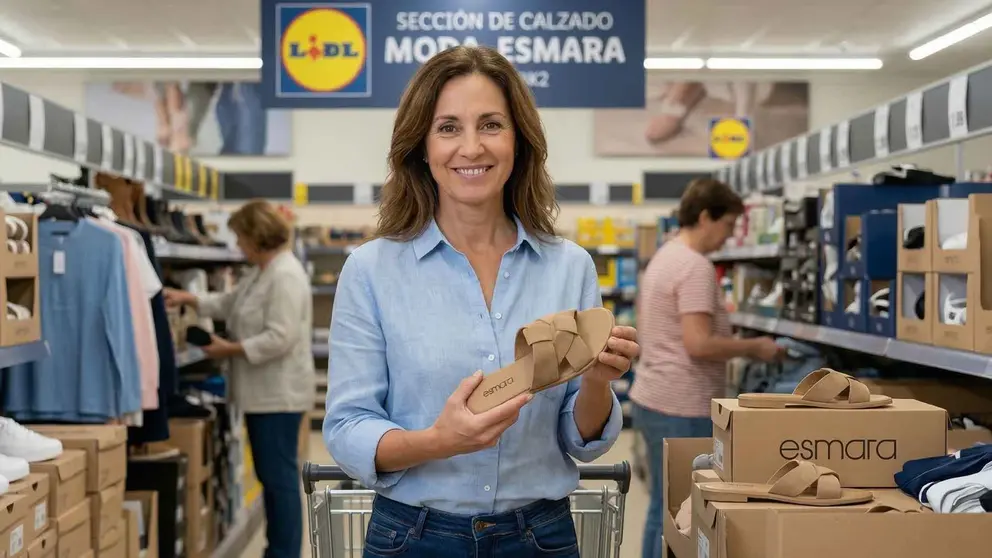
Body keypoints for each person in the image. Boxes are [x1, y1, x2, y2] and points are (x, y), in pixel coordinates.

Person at [323, 45, 640, 558]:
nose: (471, 147)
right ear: (421, 146)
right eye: (448, 127)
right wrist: (440, 440)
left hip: (541, 537)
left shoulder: (569, 266)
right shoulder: (371, 270)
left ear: (519, 141)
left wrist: (599, 382)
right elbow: (347, 427)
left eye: (491, 124)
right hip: (414, 538)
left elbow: (580, 437)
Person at [630, 178, 783, 558]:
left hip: (654, 395)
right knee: (677, 506)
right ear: (705, 217)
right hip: (682, 403)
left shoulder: (665, 256)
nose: (729, 238)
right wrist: (756, 347)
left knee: (661, 503)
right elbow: (698, 344)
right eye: (728, 225)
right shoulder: (695, 266)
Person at [164, 199, 314, 558]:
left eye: (240, 237)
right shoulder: (262, 271)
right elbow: (230, 303)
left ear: (256, 235)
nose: (238, 246)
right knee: (272, 479)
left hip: (278, 396)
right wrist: (190, 298)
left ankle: (284, 552)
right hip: (262, 394)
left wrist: (227, 349)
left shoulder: (285, 275)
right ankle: (277, 549)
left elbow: (281, 337)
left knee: (279, 483)